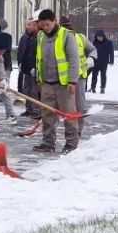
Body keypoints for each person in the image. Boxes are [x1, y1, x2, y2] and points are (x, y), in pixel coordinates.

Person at [33, 9, 80, 155]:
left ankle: (71, 144)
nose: (45, 27)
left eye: (47, 24)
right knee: (47, 115)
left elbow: (74, 60)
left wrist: (72, 81)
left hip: (64, 84)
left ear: (54, 21)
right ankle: (48, 143)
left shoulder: (67, 35)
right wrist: (39, 80)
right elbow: (38, 59)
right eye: (42, 25)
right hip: (47, 82)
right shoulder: (40, 35)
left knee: (69, 115)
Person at [59, 17, 96, 138]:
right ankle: (70, 131)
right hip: (62, 78)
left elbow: (92, 50)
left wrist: (91, 58)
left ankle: (78, 131)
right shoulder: (57, 39)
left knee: (79, 105)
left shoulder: (80, 38)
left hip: (79, 76)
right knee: (66, 107)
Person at [16, 18, 41, 118]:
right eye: (27, 25)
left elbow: (37, 54)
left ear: (35, 25)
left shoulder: (38, 37)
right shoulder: (25, 37)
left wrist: (35, 66)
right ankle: (29, 108)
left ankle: (36, 109)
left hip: (34, 68)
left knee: (34, 90)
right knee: (26, 89)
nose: (27, 27)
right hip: (25, 67)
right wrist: (20, 62)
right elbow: (22, 51)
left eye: (29, 25)